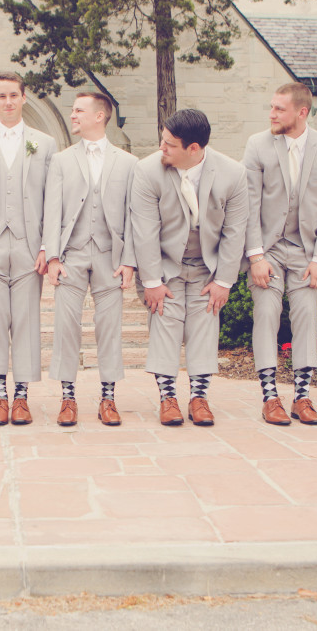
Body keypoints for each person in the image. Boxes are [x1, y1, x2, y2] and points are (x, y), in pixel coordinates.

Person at [130, 108, 249, 426]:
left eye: (169, 144)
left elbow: (235, 231)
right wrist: (152, 281)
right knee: (164, 323)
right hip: (164, 265)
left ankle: (199, 397)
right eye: (162, 140)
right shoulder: (147, 171)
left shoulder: (233, 174)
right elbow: (144, 230)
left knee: (205, 324)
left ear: (193, 148)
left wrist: (224, 281)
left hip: (207, 266)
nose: (162, 148)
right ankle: (167, 398)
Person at [243, 82, 317, 426]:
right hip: (267, 249)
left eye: (279, 109)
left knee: (306, 316)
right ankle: (270, 397)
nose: (271, 114)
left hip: (307, 251)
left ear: (302, 112)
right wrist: (256, 257)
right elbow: (248, 205)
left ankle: (302, 397)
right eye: (271, 107)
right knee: (266, 313)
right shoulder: (257, 145)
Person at [0, 72, 57, 426]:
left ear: (23, 98)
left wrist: (47, 246)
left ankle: (21, 398)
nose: (8, 102)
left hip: (29, 245)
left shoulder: (44, 143)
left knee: (27, 322)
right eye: (1, 96)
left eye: (13, 95)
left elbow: (53, 200)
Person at [43, 92, 137, 426]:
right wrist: (53, 257)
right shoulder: (61, 160)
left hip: (111, 256)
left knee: (109, 328)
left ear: (99, 116)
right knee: (66, 326)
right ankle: (67, 398)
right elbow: (52, 210)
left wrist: (129, 261)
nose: (73, 115)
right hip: (72, 253)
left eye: (79, 110)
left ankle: (108, 398)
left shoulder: (128, 163)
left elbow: (133, 215)